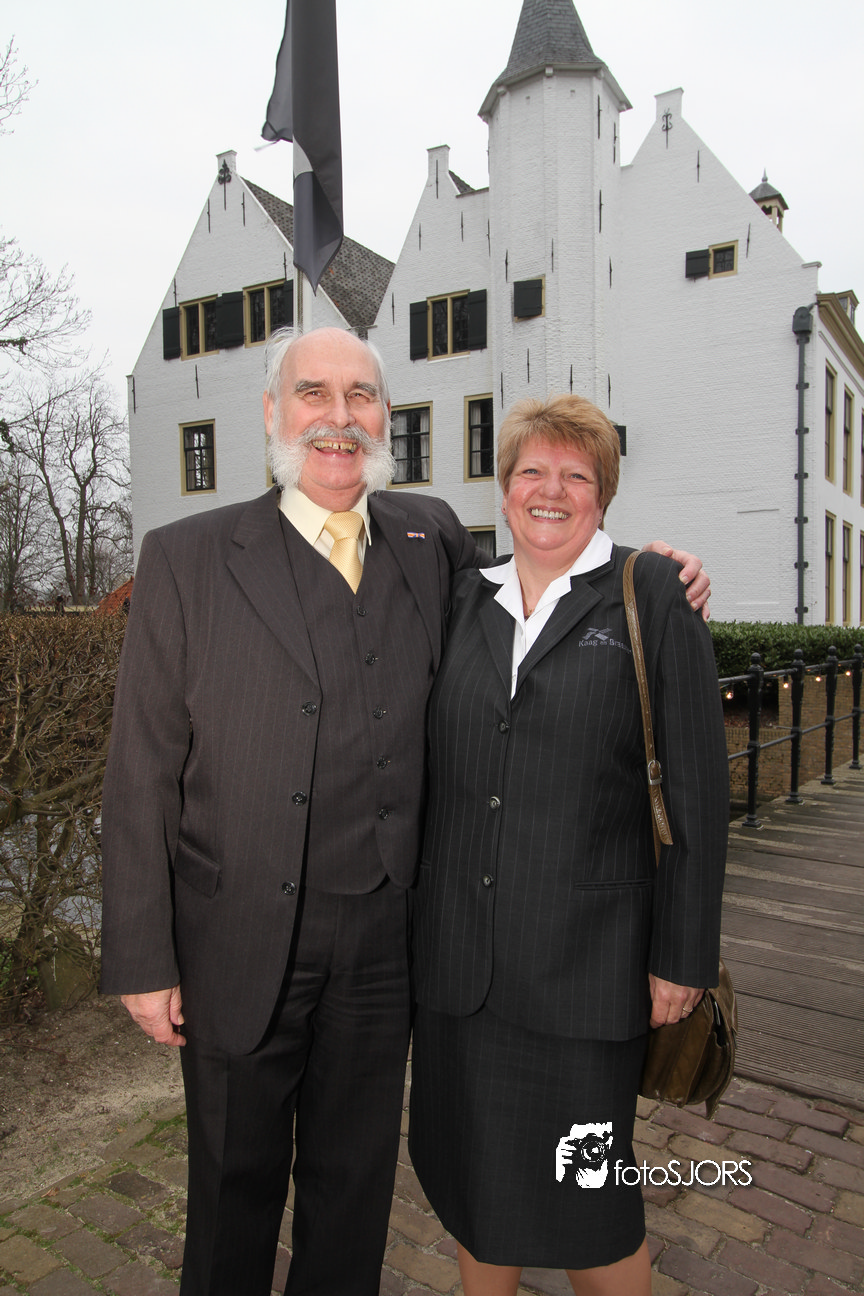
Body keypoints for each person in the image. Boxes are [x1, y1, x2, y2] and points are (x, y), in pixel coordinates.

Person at [100, 328, 711, 1296]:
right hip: (238, 941)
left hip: (388, 951)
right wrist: (141, 957)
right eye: (314, 393)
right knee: (229, 1196)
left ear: (386, 416)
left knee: (353, 1197)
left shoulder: (430, 541)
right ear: (273, 412)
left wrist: (655, 573)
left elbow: (549, 579)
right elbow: (139, 768)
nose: (338, 418)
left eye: (361, 397)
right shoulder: (185, 558)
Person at [409, 394, 729, 1296]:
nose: (550, 491)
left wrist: (683, 955)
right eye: (531, 472)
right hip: (459, 972)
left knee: (591, 1209)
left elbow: (697, 793)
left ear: (604, 493)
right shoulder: (459, 598)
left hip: (585, 974)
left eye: (575, 475)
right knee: (475, 1189)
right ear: (505, 487)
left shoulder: (650, 592)